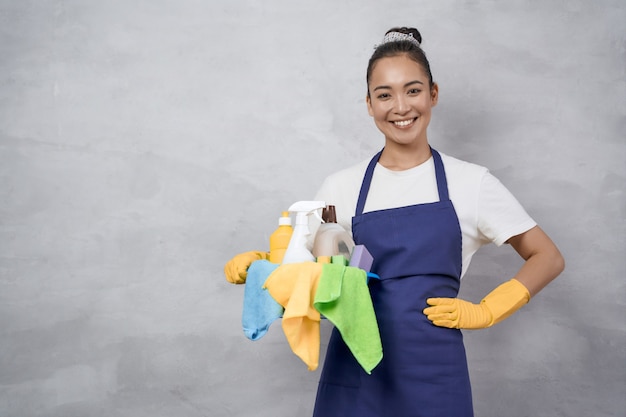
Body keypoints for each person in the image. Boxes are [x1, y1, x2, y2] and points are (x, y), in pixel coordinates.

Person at [226, 27, 564, 417]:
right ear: (369, 104)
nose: (400, 107)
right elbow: (305, 274)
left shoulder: (471, 183)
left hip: (435, 377)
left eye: (413, 90)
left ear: (433, 94)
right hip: (355, 376)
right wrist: (263, 267)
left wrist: (488, 310)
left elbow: (547, 256)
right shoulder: (341, 186)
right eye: (384, 95)